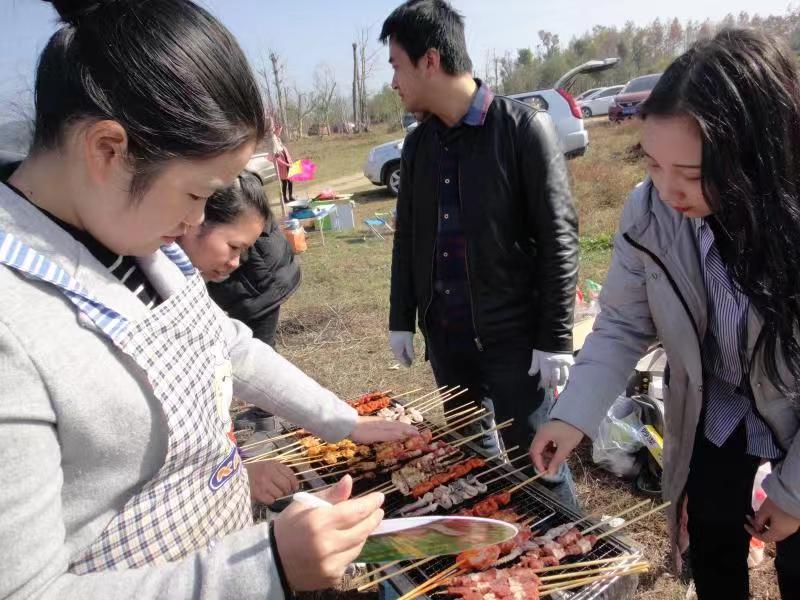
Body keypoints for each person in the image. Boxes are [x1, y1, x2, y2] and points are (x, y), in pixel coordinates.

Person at [0, 2, 415, 599]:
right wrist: (265, 568)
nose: (198, 221)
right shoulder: (14, 324)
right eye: (196, 193)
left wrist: (342, 421)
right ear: (107, 150)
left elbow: (227, 347)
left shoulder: (145, 244)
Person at [530, 29, 800, 600]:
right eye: (653, 164)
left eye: (693, 175)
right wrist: (573, 414)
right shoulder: (649, 209)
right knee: (713, 541)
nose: (669, 190)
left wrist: (794, 494)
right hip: (717, 403)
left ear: (757, 156)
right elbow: (624, 322)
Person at [381, 0, 579, 506]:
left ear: (429, 61)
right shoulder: (419, 146)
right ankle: (501, 538)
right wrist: (402, 317)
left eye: (397, 66)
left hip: (513, 339)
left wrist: (555, 337)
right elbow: (408, 238)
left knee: (539, 464)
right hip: (448, 338)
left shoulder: (523, 129)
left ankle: (567, 539)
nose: (394, 82)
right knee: (475, 459)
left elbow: (559, 237)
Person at [179, 172, 301, 349]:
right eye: (234, 247)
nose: (235, 263)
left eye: (244, 250)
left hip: (260, 289)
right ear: (195, 220)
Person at [265, 122, 295, 204]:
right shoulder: (273, 140)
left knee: (290, 180)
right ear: (275, 130)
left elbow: (284, 151)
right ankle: (285, 198)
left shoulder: (278, 139)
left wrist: (290, 162)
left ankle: (290, 196)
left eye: (280, 130)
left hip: (287, 162)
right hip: (282, 165)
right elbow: (276, 157)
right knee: (284, 182)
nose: (280, 132)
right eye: (279, 130)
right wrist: (286, 164)